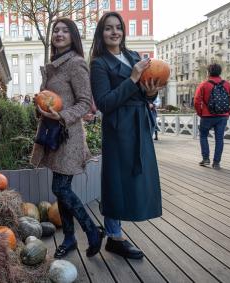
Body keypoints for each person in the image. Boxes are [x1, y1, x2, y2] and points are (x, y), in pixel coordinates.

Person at [90, 12, 163, 259]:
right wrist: (132, 78)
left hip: (139, 124)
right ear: (101, 33)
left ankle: (117, 231)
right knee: (116, 181)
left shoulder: (133, 56)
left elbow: (144, 95)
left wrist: (151, 93)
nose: (114, 32)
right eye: (108, 28)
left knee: (138, 177)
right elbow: (104, 103)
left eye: (118, 27)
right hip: (118, 128)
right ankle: (115, 236)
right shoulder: (99, 63)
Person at [31, 18, 104, 259]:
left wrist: (61, 115)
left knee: (59, 187)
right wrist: (39, 105)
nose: (59, 33)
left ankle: (91, 230)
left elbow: (85, 103)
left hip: (68, 136)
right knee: (63, 191)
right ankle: (70, 239)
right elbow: (48, 98)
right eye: (56, 30)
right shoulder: (53, 65)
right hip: (53, 135)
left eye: (64, 30)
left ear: (73, 36)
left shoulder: (76, 64)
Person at [194, 63, 230, 169]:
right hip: (222, 116)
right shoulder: (227, 84)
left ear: (208, 72)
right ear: (220, 72)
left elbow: (196, 101)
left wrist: (200, 113)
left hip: (207, 116)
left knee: (203, 136)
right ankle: (216, 163)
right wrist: (228, 112)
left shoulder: (203, 84)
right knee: (219, 139)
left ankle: (206, 159)